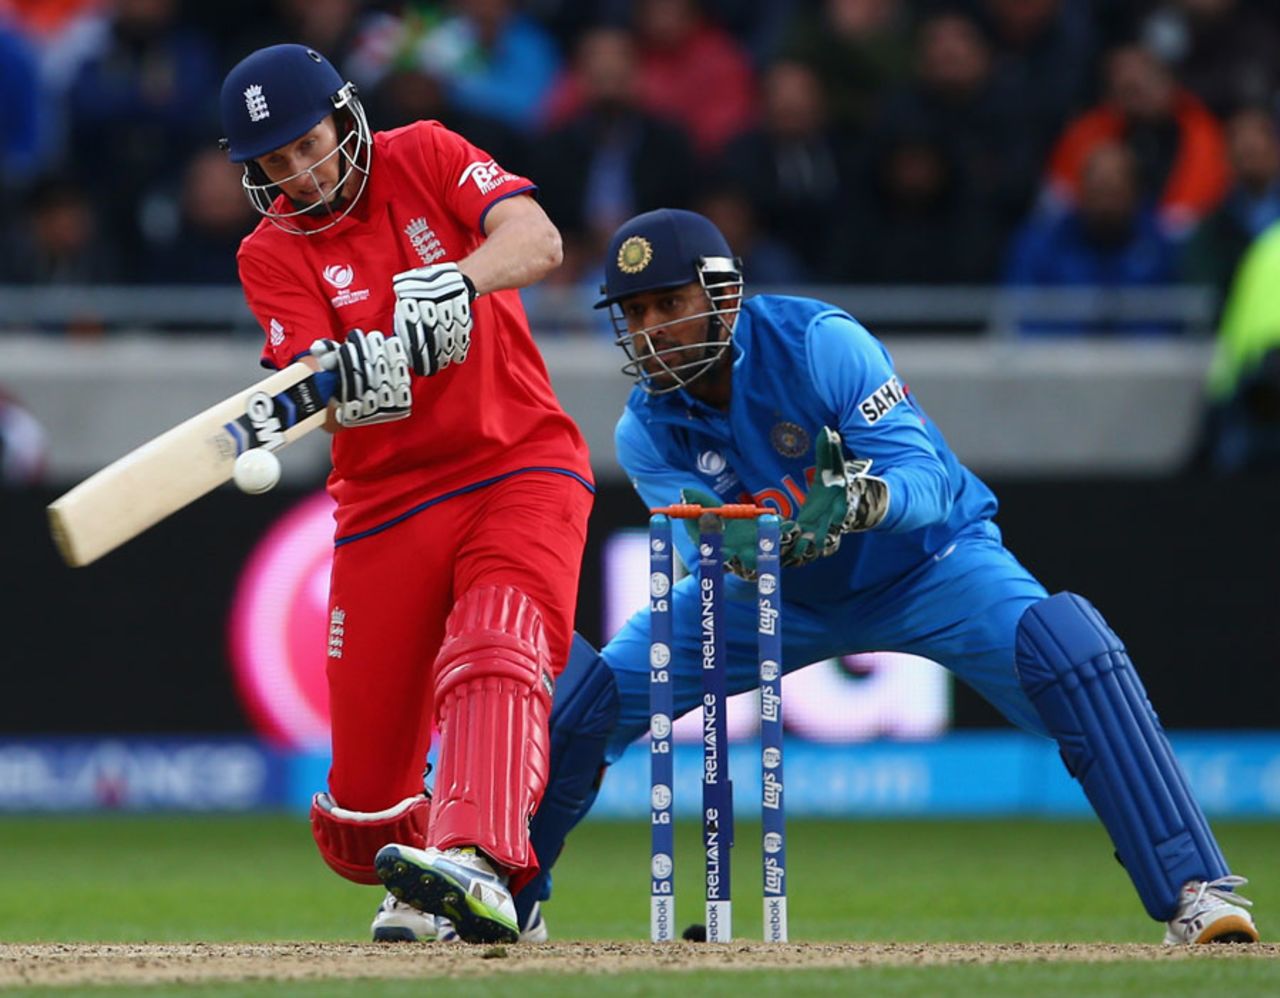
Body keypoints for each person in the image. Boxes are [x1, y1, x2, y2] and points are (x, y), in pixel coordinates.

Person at [511, 207, 1261, 946]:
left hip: (930, 567)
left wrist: (866, 500)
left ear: (723, 296)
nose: (652, 331)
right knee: (590, 697)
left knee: (1072, 656)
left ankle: (1194, 890)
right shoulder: (643, 428)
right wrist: (736, 548)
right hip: (777, 598)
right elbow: (697, 542)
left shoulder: (818, 344)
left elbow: (926, 478)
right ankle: (511, 895)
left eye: (670, 304)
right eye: (635, 313)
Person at [218, 43, 594, 945]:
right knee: (360, 816)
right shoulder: (269, 253)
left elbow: (536, 239)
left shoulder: (422, 152)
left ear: (344, 117)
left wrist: (453, 283)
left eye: (308, 145)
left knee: (497, 639)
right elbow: (306, 375)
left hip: (518, 463)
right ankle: (435, 875)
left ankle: (481, 862)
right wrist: (346, 380)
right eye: (273, 165)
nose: (298, 175)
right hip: (385, 502)